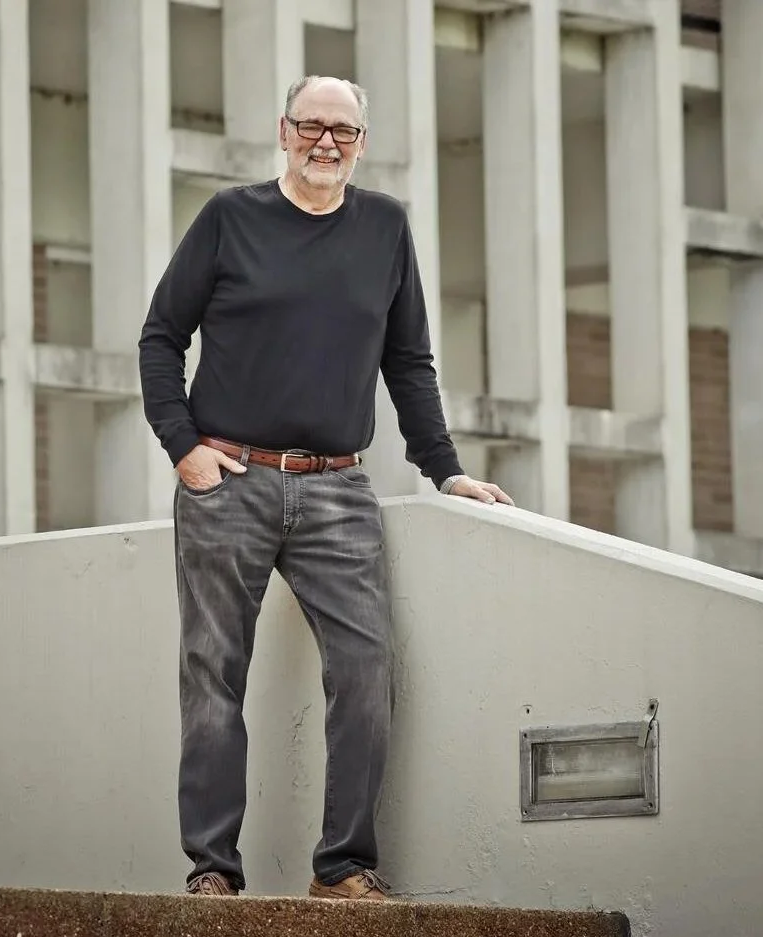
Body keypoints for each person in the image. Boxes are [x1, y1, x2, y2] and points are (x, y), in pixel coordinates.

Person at [138, 75, 514, 901]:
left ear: (362, 143)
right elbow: (161, 337)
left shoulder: (383, 227)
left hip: (338, 490)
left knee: (366, 667)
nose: (326, 142)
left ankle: (342, 865)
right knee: (212, 674)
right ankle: (212, 866)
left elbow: (408, 360)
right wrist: (183, 449)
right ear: (283, 131)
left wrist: (443, 467)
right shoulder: (229, 218)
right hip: (226, 480)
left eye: (342, 130)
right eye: (311, 125)